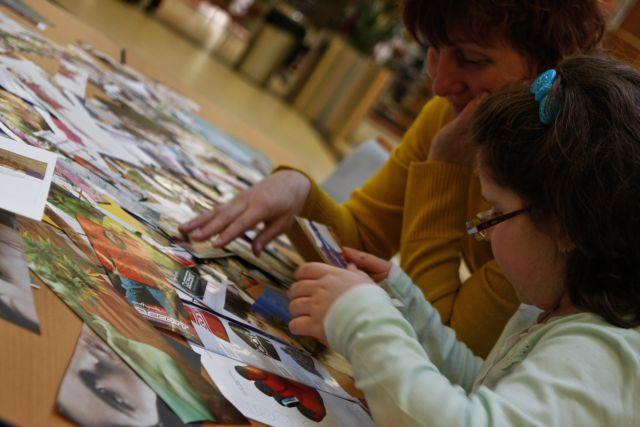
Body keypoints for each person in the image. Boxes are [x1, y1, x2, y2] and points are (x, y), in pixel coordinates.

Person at [180, 0, 606, 356]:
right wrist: (300, 193)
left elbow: (443, 342)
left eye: (474, 59)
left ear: (551, 66)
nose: (440, 83)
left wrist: (442, 168)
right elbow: (362, 242)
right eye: (434, 50)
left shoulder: (561, 180)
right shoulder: (449, 118)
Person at [286, 54, 640, 426]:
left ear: (565, 229)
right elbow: (480, 384)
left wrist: (362, 320)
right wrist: (405, 307)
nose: (486, 232)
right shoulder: (556, 308)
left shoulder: (602, 355)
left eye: (497, 212)